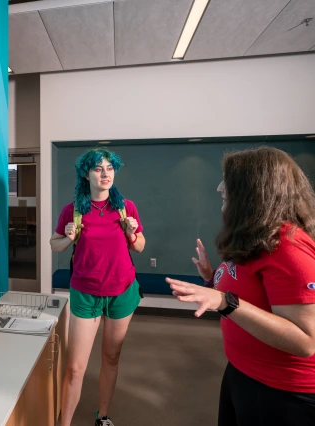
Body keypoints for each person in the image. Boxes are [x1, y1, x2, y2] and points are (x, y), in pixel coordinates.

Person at [167, 147, 315, 425]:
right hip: (242, 370)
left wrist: (224, 301)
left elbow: (305, 341)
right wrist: (211, 278)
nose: (219, 186)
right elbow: (252, 294)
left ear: (254, 191)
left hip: (282, 391)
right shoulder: (256, 236)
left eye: (228, 181)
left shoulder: (290, 249)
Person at [50, 148, 145, 426]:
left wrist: (132, 233)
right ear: (86, 174)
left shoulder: (126, 207)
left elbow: (140, 246)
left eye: (109, 168)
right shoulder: (74, 209)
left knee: (111, 358)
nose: (105, 174)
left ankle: (102, 416)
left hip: (122, 291)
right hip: (85, 292)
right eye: (98, 169)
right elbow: (54, 244)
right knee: (75, 368)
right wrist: (68, 237)